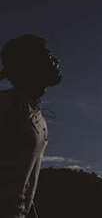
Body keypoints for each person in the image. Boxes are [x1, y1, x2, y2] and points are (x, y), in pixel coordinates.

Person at [0, 34, 62, 218]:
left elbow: (25, 176)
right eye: (46, 55)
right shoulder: (8, 105)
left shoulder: (38, 117)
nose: (53, 60)